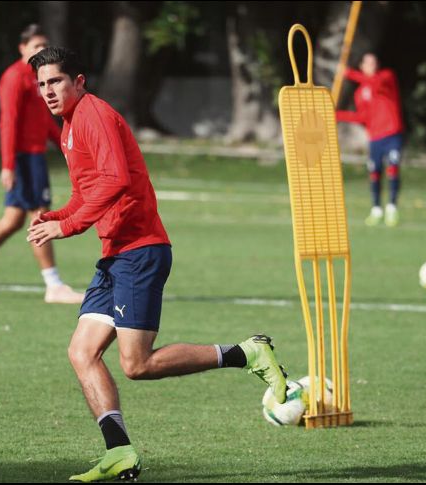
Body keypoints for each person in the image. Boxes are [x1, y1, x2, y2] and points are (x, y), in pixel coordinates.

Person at [27, 46, 288, 482]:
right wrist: (56, 216)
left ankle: (248, 353)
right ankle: (120, 452)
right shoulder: (68, 127)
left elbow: (116, 179)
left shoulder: (94, 115)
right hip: (115, 254)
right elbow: (85, 191)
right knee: (82, 352)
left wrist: (68, 226)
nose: (48, 91)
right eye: (41, 85)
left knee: (137, 364)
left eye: (55, 81)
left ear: (79, 81)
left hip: (140, 251)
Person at [0, 24, 83, 303]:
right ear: (22, 48)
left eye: (44, 46)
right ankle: (54, 285)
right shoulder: (14, 77)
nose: (40, 51)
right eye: (35, 46)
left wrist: (65, 144)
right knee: (40, 216)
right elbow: (8, 121)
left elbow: (44, 120)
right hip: (24, 159)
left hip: (34, 156)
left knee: (13, 221)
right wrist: (8, 165)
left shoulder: (38, 77)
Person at [336, 53, 405, 227]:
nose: (371, 65)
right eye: (367, 63)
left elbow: (375, 83)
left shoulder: (386, 77)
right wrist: (337, 115)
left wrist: (348, 73)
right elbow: (362, 117)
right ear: (362, 66)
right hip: (375, 137)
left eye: (373, 62)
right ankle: (376, 209)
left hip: (392, 133)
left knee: (393, 168)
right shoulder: (360, 93)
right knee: (374, 173)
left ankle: (392, 208)